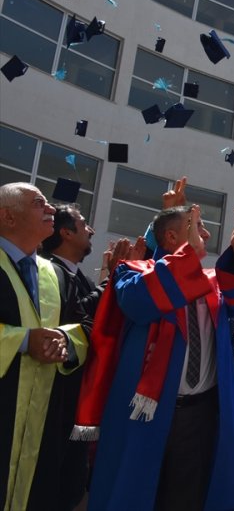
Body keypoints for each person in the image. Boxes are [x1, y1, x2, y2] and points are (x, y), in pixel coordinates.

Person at [83, 203, 234, 510]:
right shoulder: (132, 273)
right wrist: (186, 257)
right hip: (142, 412)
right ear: (170, 236)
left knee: (187, 497)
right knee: (136, 495)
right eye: (195, 225)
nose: (205, 233)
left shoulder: (212, 282)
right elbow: (142, 303)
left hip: (199, 412)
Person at [0, 182, 89, 511]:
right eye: (39, 204)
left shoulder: (55, 275)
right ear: (9, 217)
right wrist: (23, 340)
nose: (51, 209)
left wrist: (64, 339)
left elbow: (82, 326)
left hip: (43, 425)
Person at [37, 204, 102, 510]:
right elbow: (71, 319)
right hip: (47, 400)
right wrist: (107, 286)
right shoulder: (42, 271)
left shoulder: (83, 281)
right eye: (83, 223)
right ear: (65, 233)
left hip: (76, 402)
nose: (90, 229)